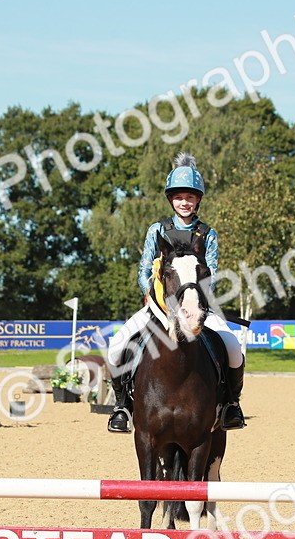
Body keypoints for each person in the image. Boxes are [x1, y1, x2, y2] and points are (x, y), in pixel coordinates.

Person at [105, 152, 245, 433]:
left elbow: (212, 273)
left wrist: (196, 303)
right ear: (171, 199)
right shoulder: (157, 230)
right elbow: (144, 270)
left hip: (198, 306)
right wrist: (154, 296)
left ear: (198, 200)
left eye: (190, 197)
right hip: (159, 307)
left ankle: (231, 404)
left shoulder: (207, 234)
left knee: (233, 349)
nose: (185, 202)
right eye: (180, 197)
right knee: (117, 346)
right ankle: (121, 406)